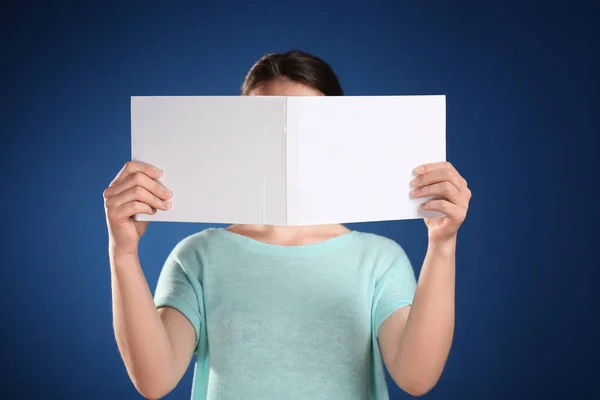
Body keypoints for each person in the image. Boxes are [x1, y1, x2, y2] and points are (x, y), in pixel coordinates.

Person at [103, 50, 472, 400]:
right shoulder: (198, 256)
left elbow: (417, 377)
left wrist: (443, 244)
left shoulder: (379, 258)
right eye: (263, 127)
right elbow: (154, 381)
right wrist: (123, 251)